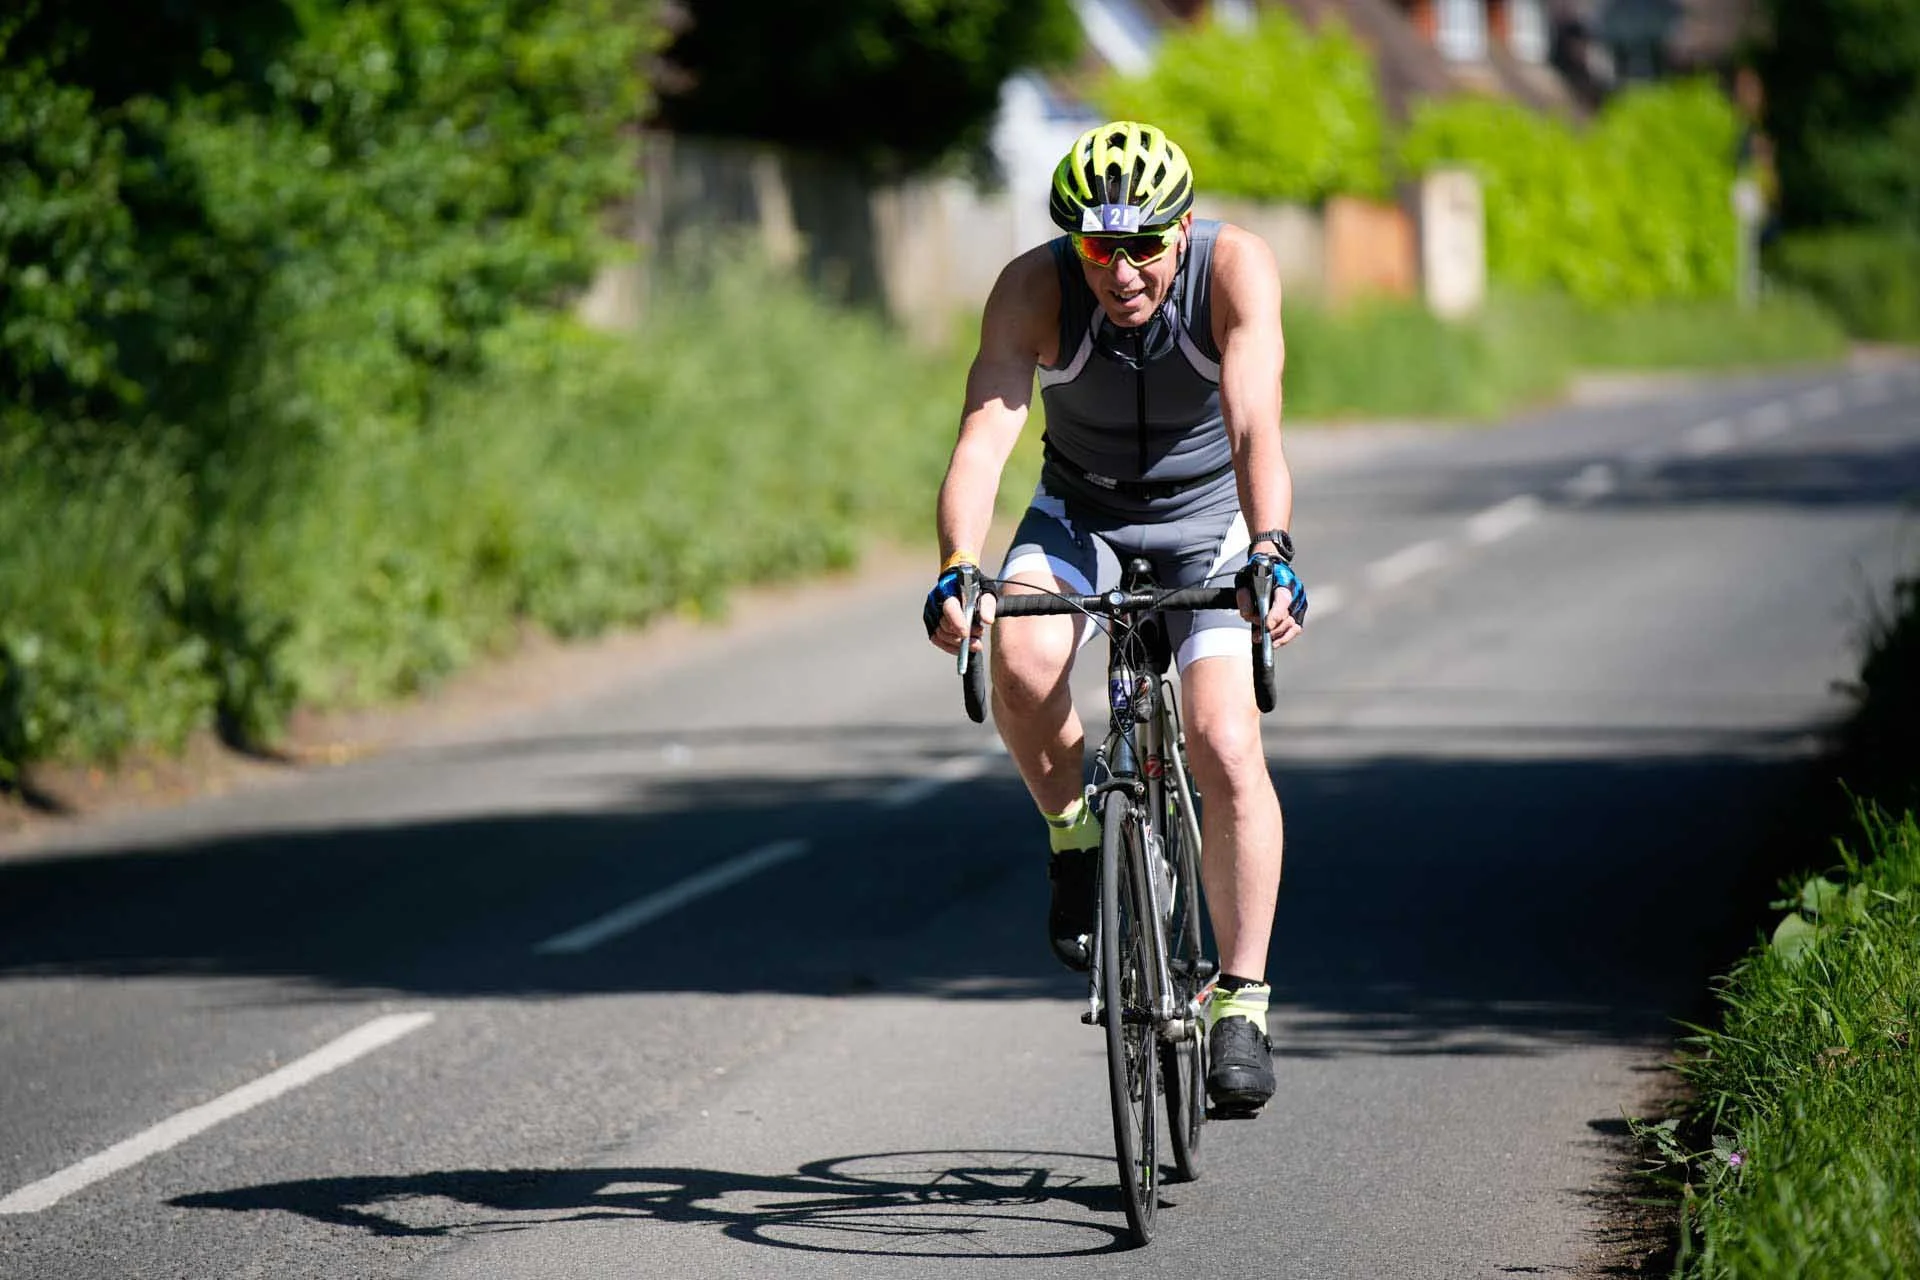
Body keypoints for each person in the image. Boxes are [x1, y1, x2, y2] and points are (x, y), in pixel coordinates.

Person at [922, 121, 1307, 1118]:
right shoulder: (1031, 288)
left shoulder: (1235, 269)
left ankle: (1243, 998)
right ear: (1074, 243)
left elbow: (1256, 415)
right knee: (1021, 654)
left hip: (1210, 517)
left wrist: (1271, 547)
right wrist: (959, 566)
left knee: (1223, 737)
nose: (1125, 268)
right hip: (1079, 509)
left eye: (1145, 244)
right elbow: (983, 439)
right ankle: (1074, 832)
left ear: (1181, 229)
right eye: (1101, 246)